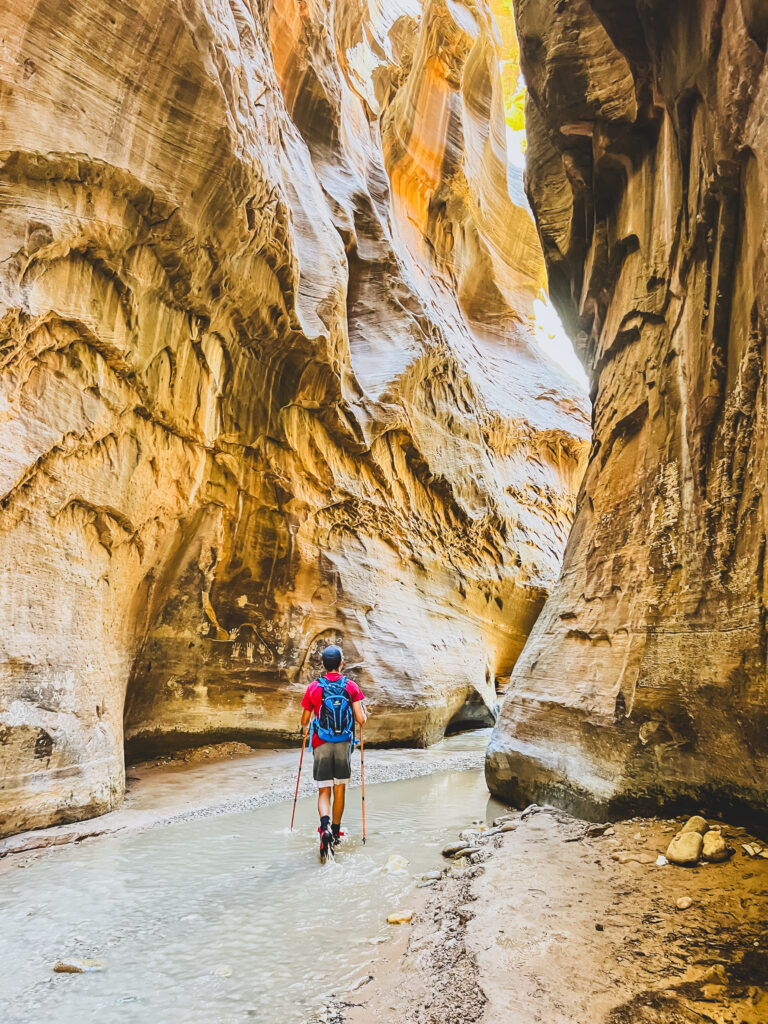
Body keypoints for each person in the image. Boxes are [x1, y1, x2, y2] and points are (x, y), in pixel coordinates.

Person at [300, 645, 366, 861]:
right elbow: (360, 719)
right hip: (343, 744)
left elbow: (304, 720)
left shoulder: (314, 688)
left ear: (324, 664)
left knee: (324, 790)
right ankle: (336, 833)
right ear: (341, 663)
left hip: (321, 742)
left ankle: (324, 828)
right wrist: (363, 713)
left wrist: (304, 730)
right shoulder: (351, 687)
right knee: (340, 789)